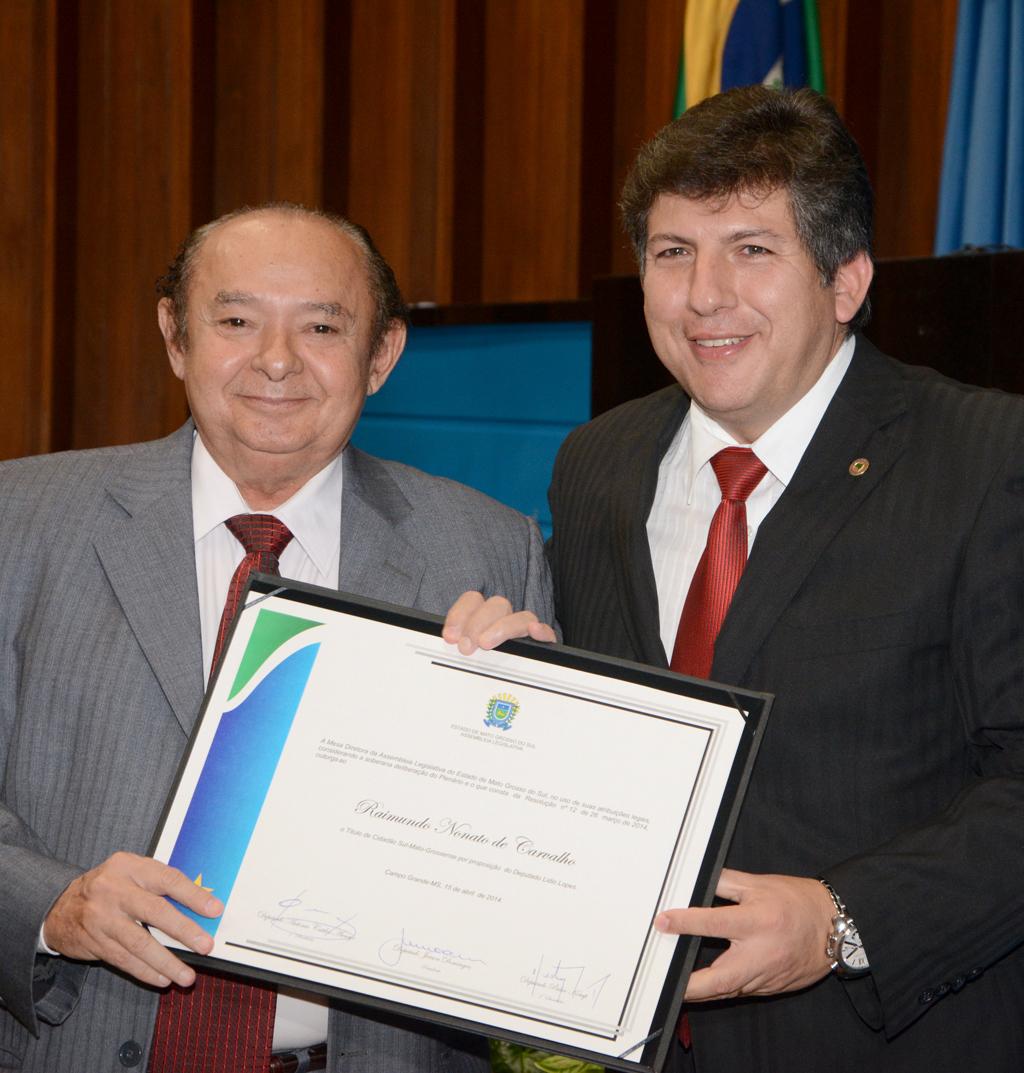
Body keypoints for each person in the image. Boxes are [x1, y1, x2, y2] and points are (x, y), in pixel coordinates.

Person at [445, 87, 1024, 1070]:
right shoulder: (597, 463)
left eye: (752, 249)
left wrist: (842, 919)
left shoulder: (986, 457)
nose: (705, 294)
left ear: (846, 280)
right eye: (673, 252)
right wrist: (525, 691)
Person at [0, 203, 553, 1073]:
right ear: (175, 336)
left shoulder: (486, 548)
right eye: (236, 321)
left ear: (382, 355)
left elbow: (530, 874)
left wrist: (527, 733)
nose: (278, 359)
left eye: (322, 327)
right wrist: (51, 904)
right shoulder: (21, 520)